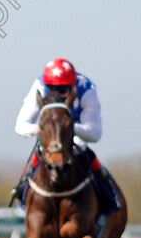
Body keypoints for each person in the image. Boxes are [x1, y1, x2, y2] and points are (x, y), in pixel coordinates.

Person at [12, 58, 119, 215]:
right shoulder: (39, 87)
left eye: (62, 90)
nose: (56, 93)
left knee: (84, 150)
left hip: (75, 135)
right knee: (38, 155)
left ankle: (108, 195)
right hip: (50, 136)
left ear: (72, 87)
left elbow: (95, 132)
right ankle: (21, 191)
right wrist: (42, 129)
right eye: (51, 88)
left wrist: (68, 128)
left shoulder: (86, 89)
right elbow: (20, 126)